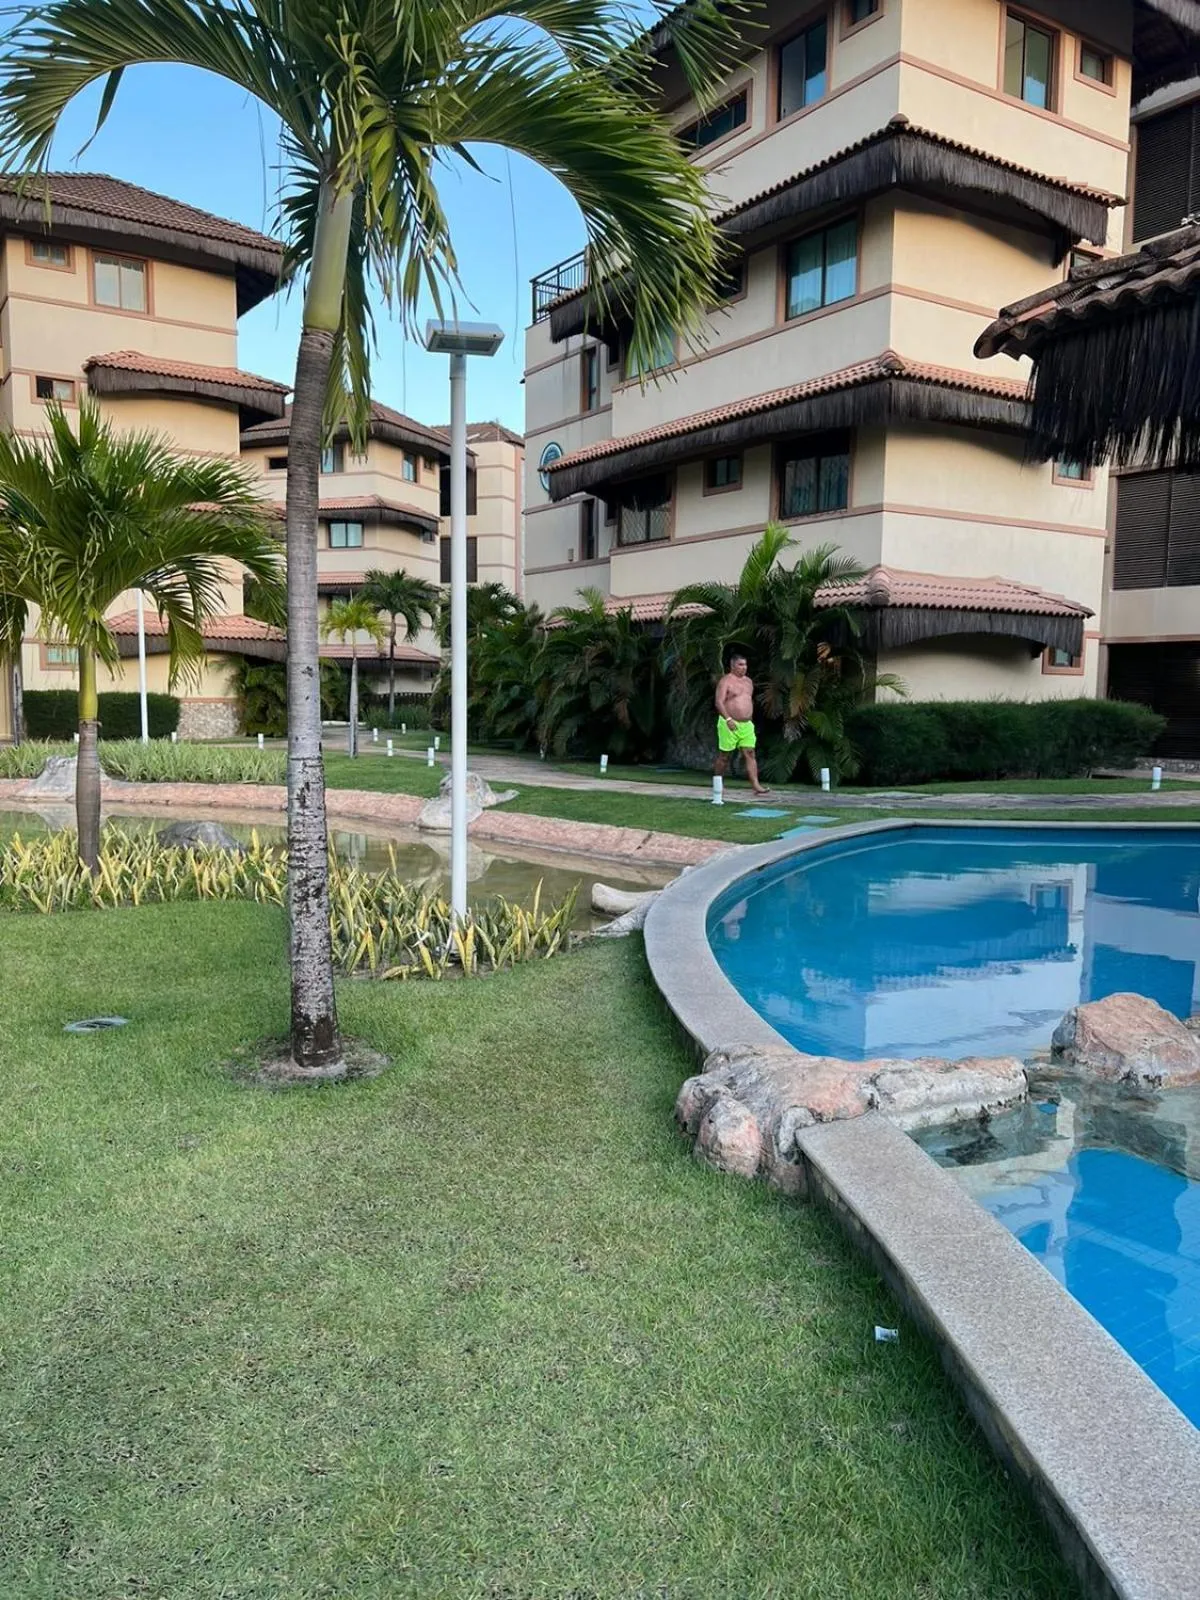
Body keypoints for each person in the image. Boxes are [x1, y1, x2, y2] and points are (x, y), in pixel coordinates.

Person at [714, 652, 770, 796]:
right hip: (728, 723)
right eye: (740, 664)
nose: (744, 667)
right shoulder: (725, 681)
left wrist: (749, 717)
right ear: (732, 666)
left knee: (750, 753)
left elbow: (748, 700)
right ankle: (718, 781)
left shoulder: (748, 682)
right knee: (724, 756)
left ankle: (756, 785)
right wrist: (728, 719)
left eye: (745, 664)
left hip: (746, 725)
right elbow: (719, 702)